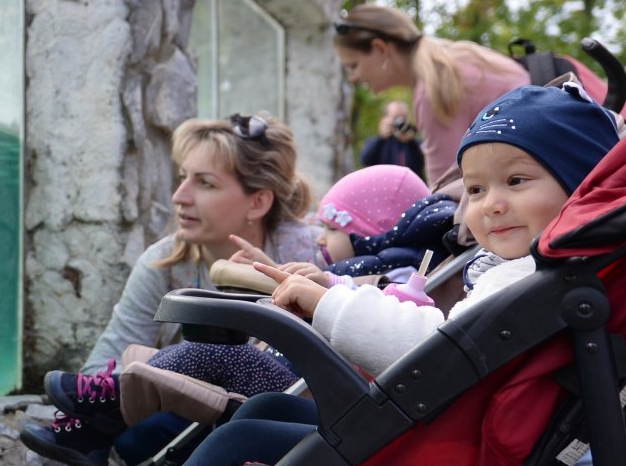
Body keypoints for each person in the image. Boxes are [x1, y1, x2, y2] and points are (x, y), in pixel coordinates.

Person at [6, 83, 622, 466]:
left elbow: (436, 350)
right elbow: (447, 336)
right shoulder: (537, 277)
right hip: (447, 446)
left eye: (516, 182)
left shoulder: (530, 280)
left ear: (582, 186)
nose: (489, 204)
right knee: (261, 412)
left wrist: (327, 305)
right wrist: (330, 292)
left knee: (245, 435)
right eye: (478, 188)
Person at [40, 163, 433, 441]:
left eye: (331, 227)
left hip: (326, 395)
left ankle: (108, 398)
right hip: (313, 385)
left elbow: (359, 318)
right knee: (179, 368)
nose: (318, 237)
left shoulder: (397, 281)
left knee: (215, 356)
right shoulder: (359, 271)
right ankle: (99, 415)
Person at [23, 113, 322, 466]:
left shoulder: (306, 254)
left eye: (205, 183)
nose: (180, 196)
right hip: (191, 421)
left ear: (257, 203)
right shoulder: (164, 262)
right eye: (183, 177)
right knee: (140, 427)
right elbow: (101, 368)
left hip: (289, 420)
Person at [333, 4, 528, 184]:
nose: (354, 77)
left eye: (354, 66)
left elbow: (445, 190)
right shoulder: (452, 60)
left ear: (380, 48)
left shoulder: (434, 88)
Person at [359, 100, 424, 177]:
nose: (401, 121)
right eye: (396, 117)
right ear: (385, 119)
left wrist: (411, 141)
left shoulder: (415, 143)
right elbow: (366, 160)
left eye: (404, 117)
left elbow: (423, 163)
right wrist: (381, 138)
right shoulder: (377, 142)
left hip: (410, 186)